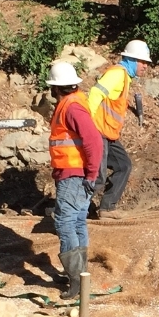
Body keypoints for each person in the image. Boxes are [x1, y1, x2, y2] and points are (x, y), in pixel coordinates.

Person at [46, 62, 103, 299]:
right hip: (76, 173)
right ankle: (81, 276)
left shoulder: (71, 108)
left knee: (64, 222)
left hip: (75, 175)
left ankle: (77, 280)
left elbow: (94, 141)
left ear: (55, 88)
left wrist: (91, 174)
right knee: (78, 221)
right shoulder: (73, 104)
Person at [87, 40, 152, 218]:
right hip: (98, 131)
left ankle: (107, 208)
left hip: (108, 134)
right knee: (98, 177)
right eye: (142, 62)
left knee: (123, 165)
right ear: (131, 59)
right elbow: (94, 94)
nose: (145, 66)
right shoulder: (117, 74)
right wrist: (89, 126)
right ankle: (69, 210)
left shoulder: (124, 77)